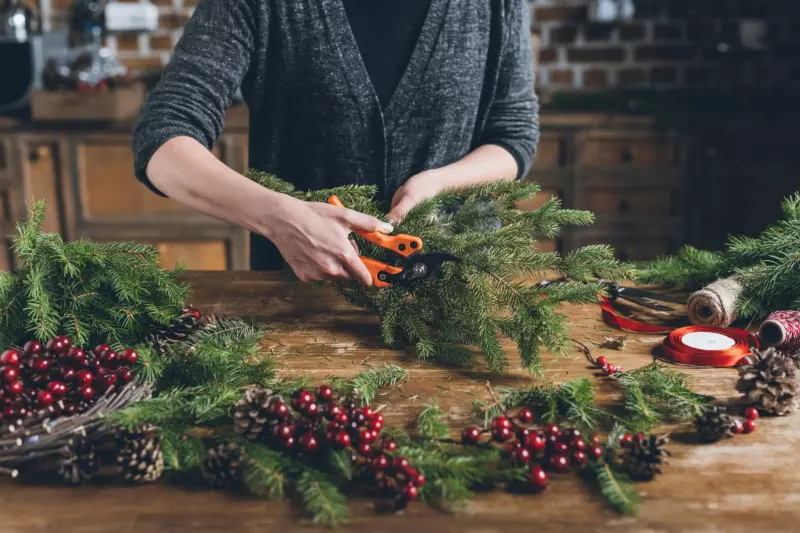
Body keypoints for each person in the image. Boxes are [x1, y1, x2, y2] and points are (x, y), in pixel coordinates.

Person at [132, 0, 539, 286]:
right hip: (302, 299)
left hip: (462, 294)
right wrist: (277, 217)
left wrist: (436, 185)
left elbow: (512, 135)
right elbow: (165, 136)